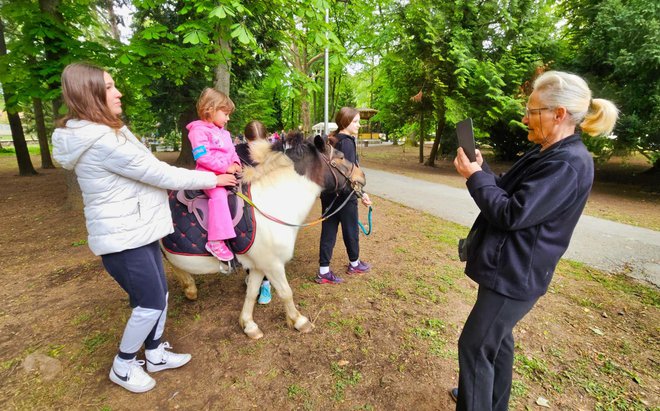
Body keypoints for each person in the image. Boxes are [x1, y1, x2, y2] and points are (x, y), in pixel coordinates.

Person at [51, 63, 238, 393]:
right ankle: (123, 366)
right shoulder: (101, 142)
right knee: (150, 302)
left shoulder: (111, 131)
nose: (118, 92)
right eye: (109, 87)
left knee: (160, 295)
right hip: (123, 237)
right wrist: (214, 178)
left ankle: (154, 353)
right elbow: (160, 174)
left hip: (139, 229)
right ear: (90, 94)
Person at [451, 71, 618, 410]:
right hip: (508, 268)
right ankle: (489, 401)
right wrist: (482, 172)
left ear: (559, 114)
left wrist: (474, 179)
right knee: (497, 342)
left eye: (533, 111)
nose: (525, 118)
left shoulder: (569, 163)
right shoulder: (547, 152)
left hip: (515, 275)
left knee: (475, 345)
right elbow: (511, 192)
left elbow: (512, 214)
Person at [316, 107, 373, 284]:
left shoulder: (331, 139)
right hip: (345, 196)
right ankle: (354, 264)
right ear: (345, 122)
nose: (359, 125)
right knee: (351, 231)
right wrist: (361, 194)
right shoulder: (347, 142)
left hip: (328, 195)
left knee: (329, 231)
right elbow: (350, 173)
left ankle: (323, 271)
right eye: (355, 121)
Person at [187, 88, 242, 261]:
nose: (228, 118)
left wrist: (235, 163)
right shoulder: (198, 131)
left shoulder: (225, 133)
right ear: (210, 109)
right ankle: (215, 241)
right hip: (208, 176)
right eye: (225, 114)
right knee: (219, 197)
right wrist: (225, 168)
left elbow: (233, 152)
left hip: (228, 172)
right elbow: (202, 157)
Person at [235, 120, 272, 304]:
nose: (255, 147)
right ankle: (250, 273)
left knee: (264, 245)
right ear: (246, 139)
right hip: (245, 204)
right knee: (246, 242)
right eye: (252, 143)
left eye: (259, 142)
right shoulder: (238, 152)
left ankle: (265, 284)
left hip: (266, 206)